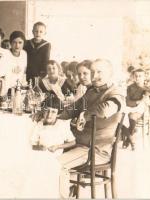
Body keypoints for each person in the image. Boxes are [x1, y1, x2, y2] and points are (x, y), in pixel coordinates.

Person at [44, 59, 125, 198]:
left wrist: (84, 114)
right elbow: (72, 109)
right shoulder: (92, 91)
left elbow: (105, 110)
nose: (94, 75)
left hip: (95, 150)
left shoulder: (116, 93)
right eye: (93, 72)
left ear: (110, 73)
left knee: (55, 165)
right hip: (81, 144)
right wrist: (55, 115)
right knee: (42, 157)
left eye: (99, 72)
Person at [124, 68, 150, 150]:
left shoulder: (146, 88)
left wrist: (145, 98)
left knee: (132, 117)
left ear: (144, 77)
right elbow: (127, 101)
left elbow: (147, 101)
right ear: (133, 77)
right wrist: (137, 102)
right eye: (136, 76)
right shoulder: (130, 87)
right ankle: (131, 139)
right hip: (131, 105)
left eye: (140, 76)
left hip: (141, 108)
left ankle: (128, 139)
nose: (138, 78)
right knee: (120, 118)